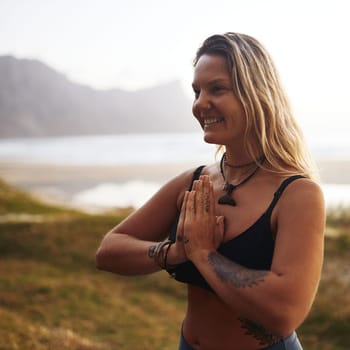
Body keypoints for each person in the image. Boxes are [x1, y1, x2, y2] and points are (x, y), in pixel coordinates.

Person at [96, 32, 325, 350]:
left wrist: (203, 254)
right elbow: (109, 251)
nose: (200, 103)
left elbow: (284, 313)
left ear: (256, 94)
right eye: (196, 91)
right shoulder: (194, 182)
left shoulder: (297, 194)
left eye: (216, 89)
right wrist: (173, 253)